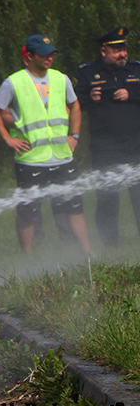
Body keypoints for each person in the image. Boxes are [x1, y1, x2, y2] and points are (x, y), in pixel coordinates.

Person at [0, 34, 93, 255]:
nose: (49, 58)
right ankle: (28, 256)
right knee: (28, 210)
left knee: (74, 206)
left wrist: (74, 135)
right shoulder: (14, 82)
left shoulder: (61, 79)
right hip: (31, 159)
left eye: (52, 54)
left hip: (63, 156)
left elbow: (75, 106)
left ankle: (88, 253)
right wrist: (8, 138)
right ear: (30, 57)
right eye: (44, 55)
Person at [74, 26, 140, 247]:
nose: (123, 54)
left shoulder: (136, 69)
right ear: (104, 51)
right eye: (117, 50)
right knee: (107, 196)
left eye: (124, 49)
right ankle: (110, 244)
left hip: (136, 143)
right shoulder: (86, 72)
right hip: (105, 145)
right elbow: (74, 103)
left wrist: (132, 94)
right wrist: (90, 97)